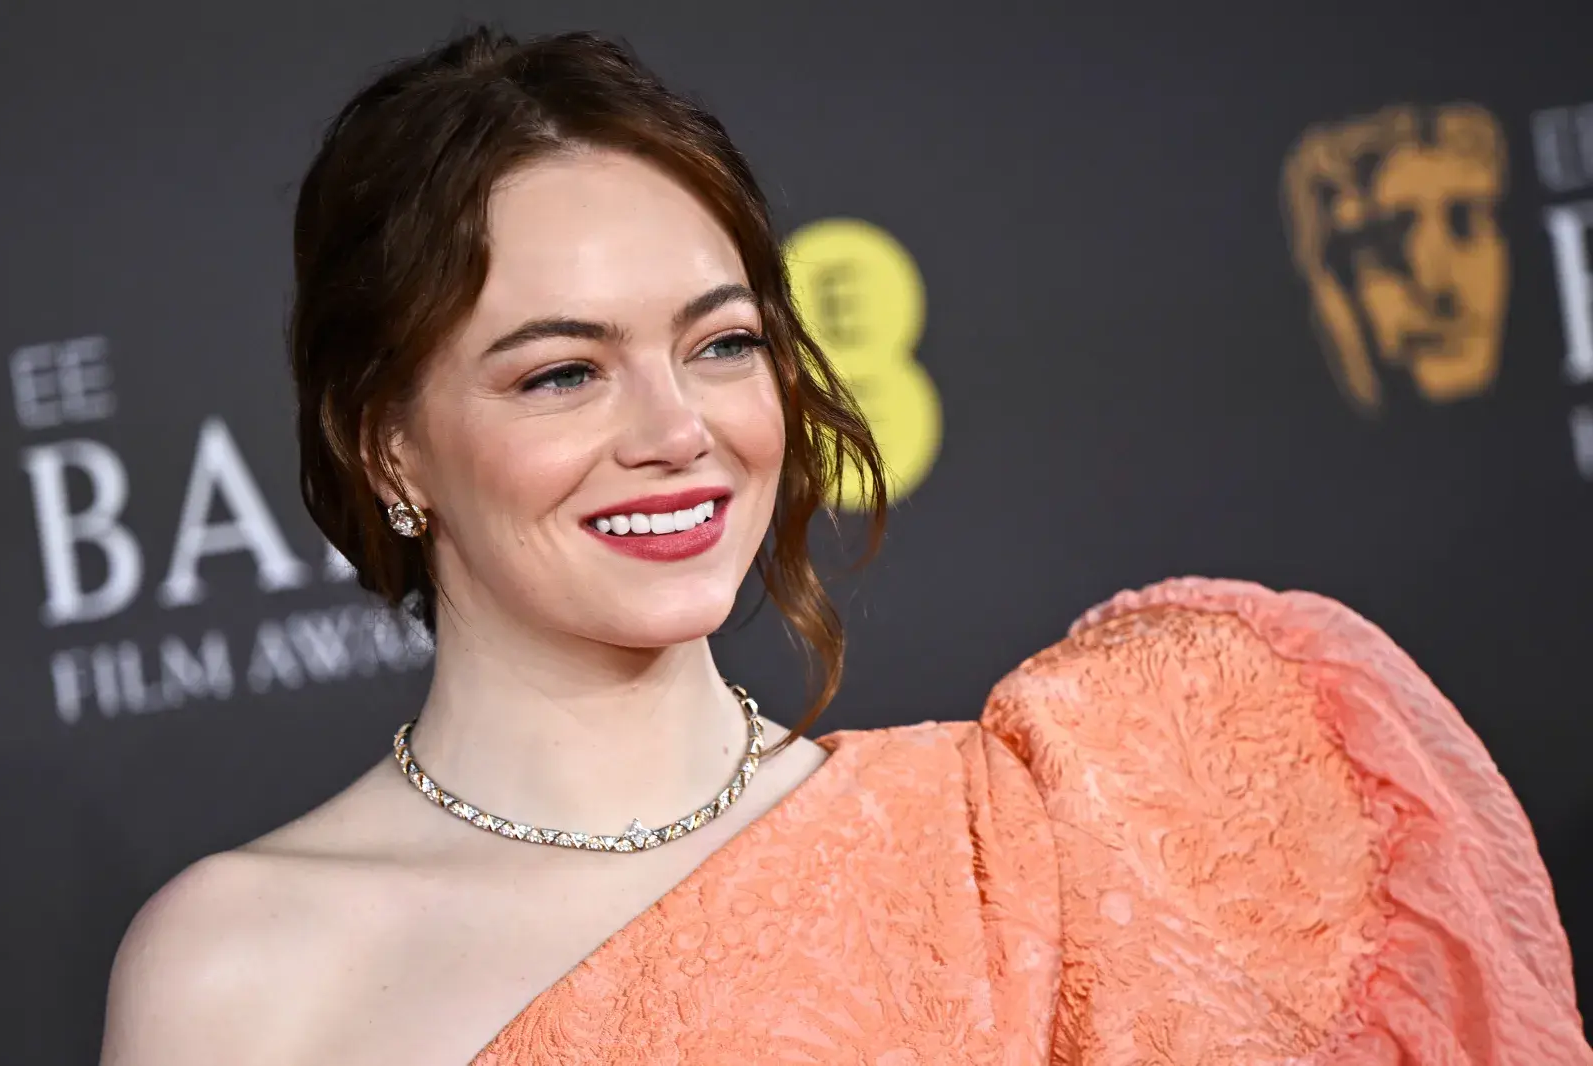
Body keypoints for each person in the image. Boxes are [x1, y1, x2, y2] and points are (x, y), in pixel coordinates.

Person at [99, 27, 1591, 1066]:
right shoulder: (241, 977)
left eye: (722, 343)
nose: (676, 428)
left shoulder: (1027, 856)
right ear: (388, 443)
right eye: (562, 372)